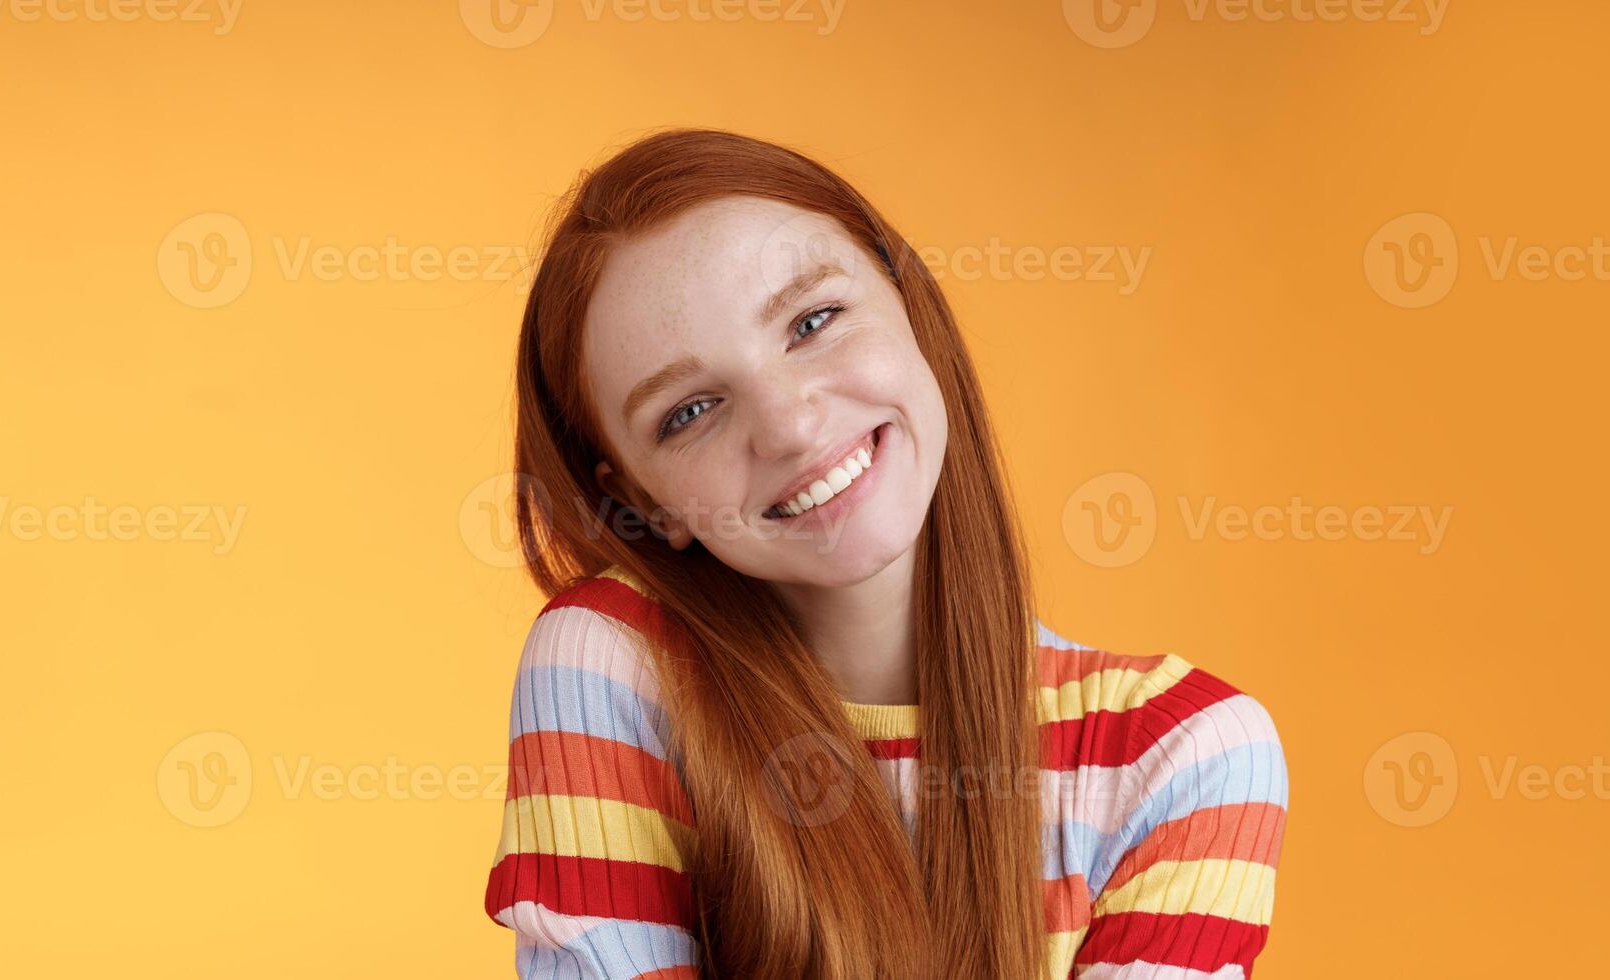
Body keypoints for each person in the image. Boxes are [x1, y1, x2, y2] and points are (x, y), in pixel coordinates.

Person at [483, 128, 1286, 979]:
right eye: (690, 411)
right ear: (643, 501)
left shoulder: (1184, 754)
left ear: (910, 303)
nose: (791, 425)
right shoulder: (615, 667)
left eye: (813, 321)